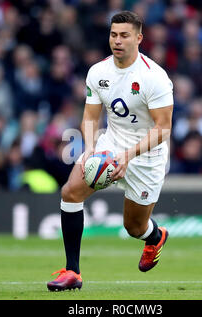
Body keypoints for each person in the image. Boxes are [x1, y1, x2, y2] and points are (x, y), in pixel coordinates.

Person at [47, 11, 173, 291]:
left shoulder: (155, 78)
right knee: (70, 192)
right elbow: (91, 118)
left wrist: (128, 157)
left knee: (134, 228)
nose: (117, 40)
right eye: (113, 34)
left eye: (124, 35)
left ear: (139, 38)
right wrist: (91, 148)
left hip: (146, 156)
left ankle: (155, 237)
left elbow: (163, 128)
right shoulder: (98, 72)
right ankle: (72, 272)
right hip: (110, 143)